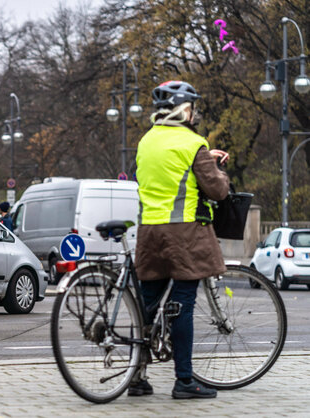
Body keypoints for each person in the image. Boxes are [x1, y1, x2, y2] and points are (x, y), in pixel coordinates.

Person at [129, 80, 229, 400]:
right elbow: (217, 190)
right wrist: (212, 163)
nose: (195, 113)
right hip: (183, 234)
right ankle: (184, 380)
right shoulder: (193, 142)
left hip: (148, 233)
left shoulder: (145, 142)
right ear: (184, 110)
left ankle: (137, 378)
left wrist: (201, 156)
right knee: (182, 304)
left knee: (147, 305)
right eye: (193, 108)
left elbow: (167, 170)